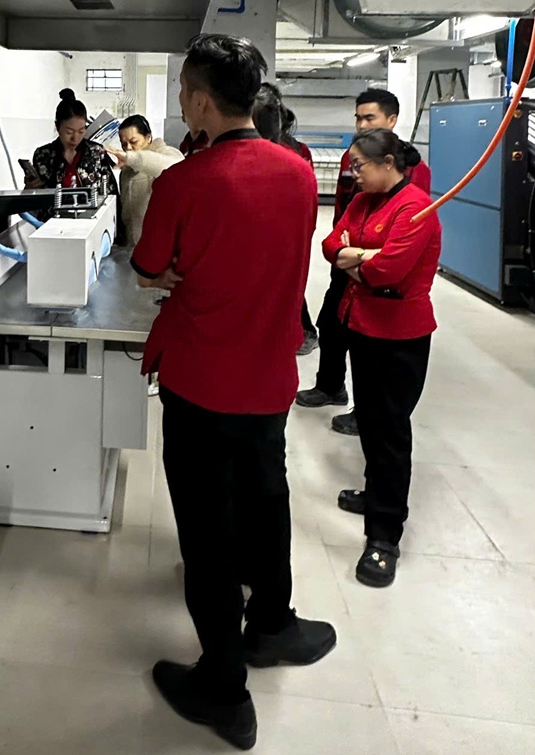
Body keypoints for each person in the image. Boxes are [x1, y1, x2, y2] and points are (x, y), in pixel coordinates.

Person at [131, 34, 336, 750]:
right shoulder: (299, 173)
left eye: (183, 92)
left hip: (201, 381)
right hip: (270, 375)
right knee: (266, 497)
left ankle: (223, 687)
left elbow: (149, 264)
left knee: (208, 532)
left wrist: (169, 271)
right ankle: (273, 623)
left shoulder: (183, 182)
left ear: (198, 101)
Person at [322, 129, 440, 587]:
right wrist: (359, 254)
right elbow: (330, 245)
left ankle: (384, 536)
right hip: (363, 325)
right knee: (369, 421)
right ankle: (376, 494)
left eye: (360, 165)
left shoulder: (415, 208)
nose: (353, 173)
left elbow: (388, 270)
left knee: (390, 432)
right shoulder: (363, 201)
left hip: (399, 336)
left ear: (388, 163)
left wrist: (358, 258)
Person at [296, 89, 432, 437]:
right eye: (358, 117)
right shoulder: (354, 161)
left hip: (386, 287)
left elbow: (393, 257)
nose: (361, 124)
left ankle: (366, 411)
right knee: (332, 324)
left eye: (369, 117)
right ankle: (330, 386)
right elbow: (333, 238)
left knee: (383, 384)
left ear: (391, 120)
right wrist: (351, 253)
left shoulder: (412, 175)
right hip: (348, 260)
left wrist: (357, 254)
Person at [252, 84, 319, 357]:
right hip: (285, 235)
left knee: (281, 292)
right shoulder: (295, 154)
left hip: (280, 235)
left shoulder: (291, 155)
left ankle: (299, 333)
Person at [106, 114, 183, 247]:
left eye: (133, 142)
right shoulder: (126, 170)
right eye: (123, 144)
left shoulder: (166, 153)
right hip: (134, 246)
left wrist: (133, 159)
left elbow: (173, 168)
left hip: (161, 245)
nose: (128, 148)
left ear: (148, 138)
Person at [27, 89, 117, 198]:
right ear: (57, 127)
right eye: (69, 132)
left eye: (81, 131)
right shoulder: (43, 155)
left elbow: (112, 192)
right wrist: (30, 188)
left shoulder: (96, 152)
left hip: (91, 209)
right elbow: (35, 198)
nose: (75, 138)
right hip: (53, 209)